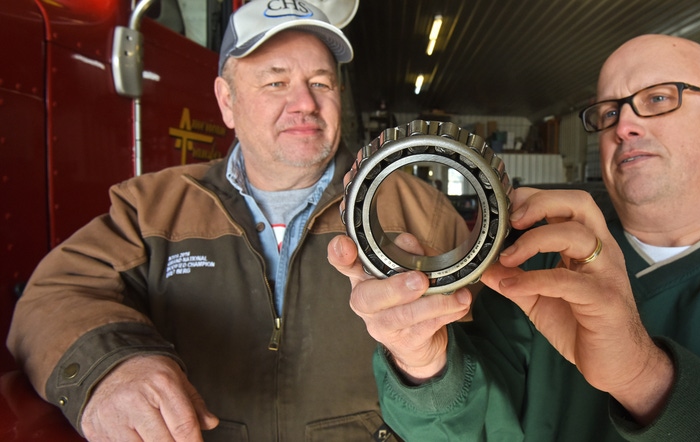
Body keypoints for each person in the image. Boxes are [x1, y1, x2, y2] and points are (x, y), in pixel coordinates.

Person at [328, 34, 700, 440]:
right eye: (608, 111)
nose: (623, 125)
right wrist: (424, 367)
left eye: (660, 97)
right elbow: (468, 430)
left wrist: (648, 379)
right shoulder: (538, 260)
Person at [7, 1, 468, 441]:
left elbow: (493, 357)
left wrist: (426, 362)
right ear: (226, 101)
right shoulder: (151, 207)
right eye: (275, 83)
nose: (304, 102)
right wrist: (107, 368)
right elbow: (53, 296)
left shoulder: (416, 210)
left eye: (321, 83)